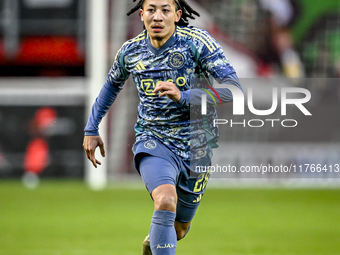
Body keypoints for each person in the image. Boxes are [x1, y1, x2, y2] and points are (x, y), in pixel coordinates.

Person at [83, 0, 242, 254]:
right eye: (152, 10)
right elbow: (112, 85)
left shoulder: (197, 43)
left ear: (177, 15)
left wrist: (184, 96)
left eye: (165, 10)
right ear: (141, 14)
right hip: (153, 139)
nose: (158, 16)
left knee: (178, 229)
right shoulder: (131, 51)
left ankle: (152, 243)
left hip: (197, 145)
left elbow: (233, 89)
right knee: (165, 200)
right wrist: (91, 128)